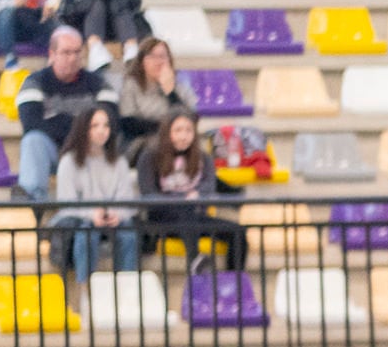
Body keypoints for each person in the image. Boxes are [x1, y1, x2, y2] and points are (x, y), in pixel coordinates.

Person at [15, 26, 119, 201]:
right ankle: (32, 202)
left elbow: (111, 122)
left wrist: (57, 121)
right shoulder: (34, 82)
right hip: (52, 152)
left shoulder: (99, 83)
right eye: (66, 52)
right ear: (52, 54)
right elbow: (31, 124)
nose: (72, 58)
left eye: (77, 52)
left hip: (87, 150)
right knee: (33, 140)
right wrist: (80, 124)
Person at [137, 111, 246, 271]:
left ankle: (234, 283)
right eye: (178, 130)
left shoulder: (203, 157)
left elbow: (209, 186)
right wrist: (183, 198)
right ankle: (196, 264)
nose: (183, 136)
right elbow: (148, 194)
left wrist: (197, 195)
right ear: (167, 132)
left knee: (237, 232)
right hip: (163, 220)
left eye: (188, 131)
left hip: (196, 215)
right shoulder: (150, 157)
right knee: (185, 214)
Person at [49, 105, 140, 287]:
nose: (101, 131)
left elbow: (126, 198)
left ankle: (127, 290)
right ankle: (86, 291)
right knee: (86, 235)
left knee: (128, 235)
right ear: (83, 129)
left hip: (114, 219)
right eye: (94, 126)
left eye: (105, 126)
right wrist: (92, 214)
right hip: (82, 219)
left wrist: (117, 214)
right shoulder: (69, 161)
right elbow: (67, 203)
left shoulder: (119, 162)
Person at [116, 39, 198, 162]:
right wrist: (166, 128)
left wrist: (170, 93)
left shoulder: (179, 86)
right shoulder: (131, 85)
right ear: (142, 61)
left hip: (177, 140)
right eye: (152, 56)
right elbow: (129, 123)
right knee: (159, 146)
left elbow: (190, 120)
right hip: (141, 142)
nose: (159, 62)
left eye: (163, 56)